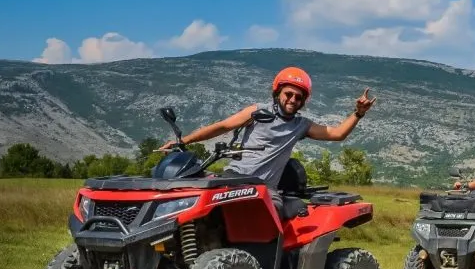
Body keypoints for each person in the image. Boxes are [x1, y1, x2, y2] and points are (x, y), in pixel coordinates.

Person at [159, 66, 376, 212]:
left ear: (303, 101)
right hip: (234, 177)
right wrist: (182, 142)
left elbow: (337, 134)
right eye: (288, 94)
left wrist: (358, 113)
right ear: (278, 92)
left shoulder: (301, 125)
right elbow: (222, 126)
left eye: (298, 97)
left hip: (265, 188)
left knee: (270, 213)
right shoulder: (256, 111)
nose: (292, 100)